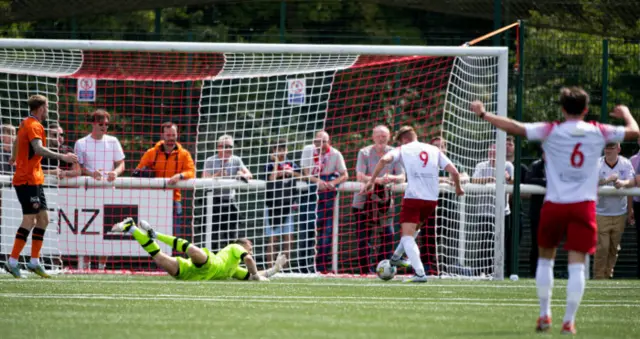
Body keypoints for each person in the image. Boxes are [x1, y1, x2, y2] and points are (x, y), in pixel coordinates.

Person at [470, 87, 639, 335]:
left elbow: (515, 127)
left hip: (555, 204)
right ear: (585, 109)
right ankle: (569, 320)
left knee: (545, 260)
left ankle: (544, 314)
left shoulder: (552, 130)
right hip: (583, 206)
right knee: (577, 265)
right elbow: (635, 131)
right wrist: (625, 112)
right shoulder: (597, 130)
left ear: (562, 108)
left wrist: (484, 114)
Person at [361, 126, 464, 283]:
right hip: (431, 200)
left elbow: (383, 160)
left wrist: (372, 180)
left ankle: (420, 273)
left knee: (407, 236)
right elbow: (455, 172)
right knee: (413, 231)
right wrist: (458, 188)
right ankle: (396, 258)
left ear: (404, 139)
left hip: (414, 198)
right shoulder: (433, 150)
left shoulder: (403, 149)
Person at [4, 95, 78, 278]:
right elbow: (38, 149)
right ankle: (12, 262)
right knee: (29, 219)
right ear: (41, 108)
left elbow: (16, 142)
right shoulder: (34, 125)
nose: (48, 110)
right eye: (46, 107)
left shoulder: (25, 123)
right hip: (27, 179)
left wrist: (13, 156)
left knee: (43, 219)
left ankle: (34, 262)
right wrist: (63, 157)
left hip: (35, 179)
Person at [110, 217, 285, 281]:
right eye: (249, 245)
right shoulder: (235, 247)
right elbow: (250, 263)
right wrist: (255, 275)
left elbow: (253, 274)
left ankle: (131, 228)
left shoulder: (234, 270)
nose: (251, 248)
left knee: (158, 256)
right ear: (242, 245)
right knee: (193, 251)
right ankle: (156, 234)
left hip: (190, 274)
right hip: (209, 263)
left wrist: (275, 270)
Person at [73, 109, 126, 270]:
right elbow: (78, 168)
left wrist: (114, 173)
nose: (105, 127)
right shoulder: (81, 143)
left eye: (107, 125)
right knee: (87, 231)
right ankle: (85, 266)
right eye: (101, 124)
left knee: (106, 231)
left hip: (108, 192)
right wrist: (91, 173)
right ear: (93, 124)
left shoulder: (113, 141)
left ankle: (102, 267)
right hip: (88, 193)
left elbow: (121, 164)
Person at [352, 125, 405, 273]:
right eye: (378, 136)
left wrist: (391, 178)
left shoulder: (396, 153)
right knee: (364, 239)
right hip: (363, 202)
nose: (381, 139)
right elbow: (360, 176)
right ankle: (365, 271)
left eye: (384, 136)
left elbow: (402, 177)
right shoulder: (364, 152)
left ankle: (383, 269)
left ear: (389, 137)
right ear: (373, 137)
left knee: (388, 235)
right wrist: (378, 180)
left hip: (384, 203)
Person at [135, 122, 195, 239]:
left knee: (174, 235)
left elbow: (191, 172)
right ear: (162, 135)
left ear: (177, 135)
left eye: (173, 135)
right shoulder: (151, 153)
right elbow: (138, 171)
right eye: (168, 135)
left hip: (174, 199)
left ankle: (173, 256)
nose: (171, 138)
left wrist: (180, 176)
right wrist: (146, 172)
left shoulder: (184, 154)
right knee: (150, 233)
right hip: (152, 198)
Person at [300, 130, 348, 272]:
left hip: (327, 195)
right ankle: (304, 266)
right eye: (317, 142)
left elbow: (345, 174)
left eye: (323, 142)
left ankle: (322, 267)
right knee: (308, 229)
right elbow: (306, 174)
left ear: (329, 141)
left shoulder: (335, 154)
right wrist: (318, 181)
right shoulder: (308, 150)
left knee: (327, 233)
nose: (320, 145)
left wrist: (333, 182)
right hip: (311, 194)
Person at [202, 134, 253, 252]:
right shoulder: (210, 161)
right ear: (218, 147)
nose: (229, 149)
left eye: (230, 146)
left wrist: (241, 175)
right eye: (225, 146)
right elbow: (203, 179)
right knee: (211, 237)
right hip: (213, 203)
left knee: (231, 237)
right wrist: (217, 175)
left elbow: (249, 174)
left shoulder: (236, 159)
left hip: (229, 202)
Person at [594, 142, 635, 279]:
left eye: (611, 147)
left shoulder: (625, 163)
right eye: (606, 147)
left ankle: (608, 275)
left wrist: (622, 183)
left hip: (620, 212)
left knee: (613, 248)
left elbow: (632, 182)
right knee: (602, 247)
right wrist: (607, 180)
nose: (608, 150)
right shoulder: (597, 163)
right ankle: (599, 277)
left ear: (618, 149)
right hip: (601, 213)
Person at [264, 139, 301, 265]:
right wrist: (276, 164)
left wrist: (291, 173)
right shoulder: (269, 164)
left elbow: (303, 176)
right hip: (272, 205)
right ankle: (270, 267)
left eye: (283, 149)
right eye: (278, 149)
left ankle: (285, 268)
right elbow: (271, 178)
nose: (281, 152)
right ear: (273, 151)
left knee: (289, 238)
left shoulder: (292, 164)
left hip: (288, 204)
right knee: (273, 238)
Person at [525, 151, 546, 277]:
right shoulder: (536, 165)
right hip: (537, 212)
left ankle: (548, 272)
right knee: (536, 243)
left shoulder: (559, 165)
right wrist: (544, 182)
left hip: (555, 210)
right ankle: (534, 273)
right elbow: (528, 179)